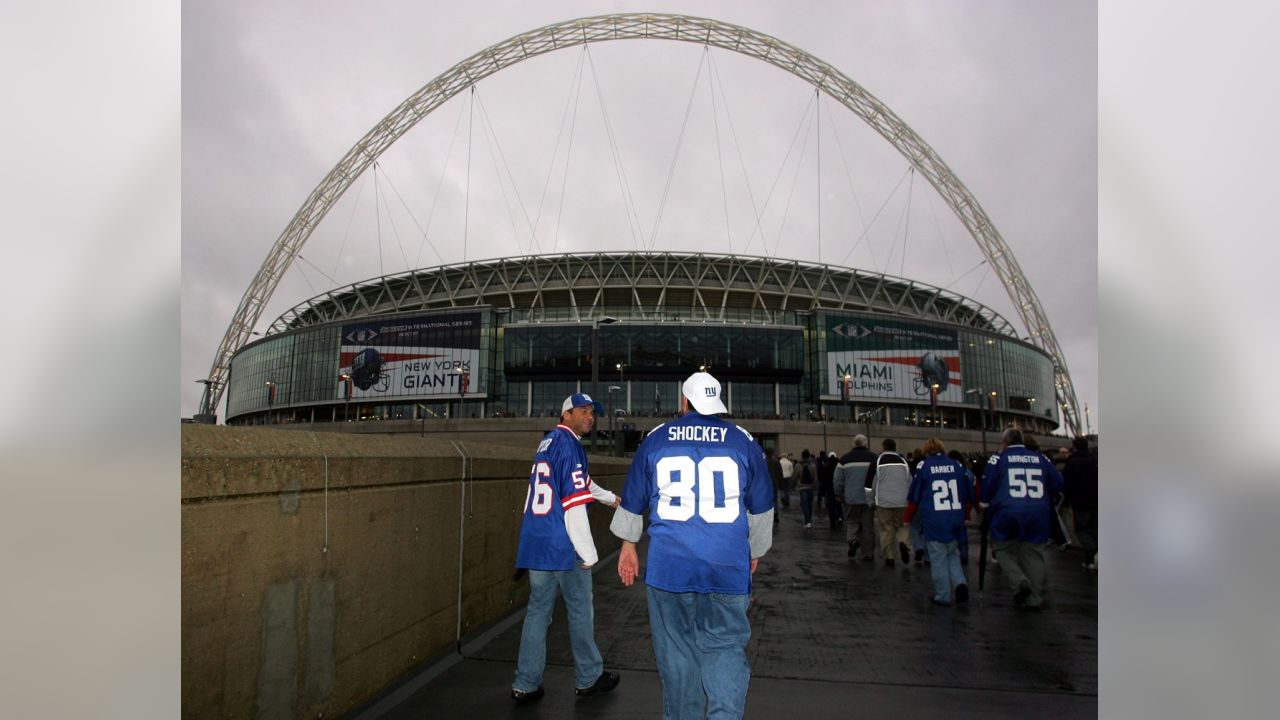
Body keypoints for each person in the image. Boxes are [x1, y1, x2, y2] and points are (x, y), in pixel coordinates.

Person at [611, 371, 774, 719]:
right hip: (726, 566)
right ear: (716, 403)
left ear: (682, 402)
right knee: (726, 648)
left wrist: (628, 546)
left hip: (671, 566)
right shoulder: (743, 441)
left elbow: (633, 498)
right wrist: (754, 552)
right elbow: (762, 506)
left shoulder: (656, 439)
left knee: (678, 657)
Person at [511, 393, 622, 702]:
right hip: (562, 544)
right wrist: (589, 553)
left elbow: (578, 483)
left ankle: (525, 683)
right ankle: (588, 677)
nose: (590, 416)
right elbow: (573, 506)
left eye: (592, 412)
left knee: (537, 612)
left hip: (538, 540)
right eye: (583, 411)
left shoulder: (548, 443)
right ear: (567, 414)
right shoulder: (571, 445)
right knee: (579, 610)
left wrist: (609, 497)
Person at [980, 427, 1065, 609]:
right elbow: (1058, 483)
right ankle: (1034, 598)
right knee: (1033, 554)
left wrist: (984, 504)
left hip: (1007, 510)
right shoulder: (1040, 458)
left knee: (1001, 548)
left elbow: (988, 484)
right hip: (1038, 511)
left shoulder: (999, 459)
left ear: (1004, 442)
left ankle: (1019, 581)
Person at [903, 438, 973, 605]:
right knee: (952, 554)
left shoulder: (925, 466)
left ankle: (943, 595)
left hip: (935, 518)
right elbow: (967, 492)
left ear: (927, 450)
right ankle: (960, 582)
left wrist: (907, 518)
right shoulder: (957, 466)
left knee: (938, 558)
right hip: (955, 516)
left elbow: (915, 497)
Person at [870, 438, 913, 567]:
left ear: (883, 447)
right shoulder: (904, 462)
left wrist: (870, 499)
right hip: (902, 501)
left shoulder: (878, 461)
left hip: (883, 502)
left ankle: (889, 556)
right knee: (902, 526)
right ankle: (903, 542)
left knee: (886, 529)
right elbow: (910, 481)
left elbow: (873, 483)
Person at [834, 435, 877, 560]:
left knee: (852, 522)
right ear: (866, 444)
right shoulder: (874, 458)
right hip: (869, 498)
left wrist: (838, 493)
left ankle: (852, 540)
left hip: (851, 498)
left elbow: (837, 480)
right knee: (867, 525)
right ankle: (868, 553)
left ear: (854, 444)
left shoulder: (844, 460)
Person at [1063, 436, 1098, 570]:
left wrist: (1066, 500)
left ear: (1074, 446)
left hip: (1080, 502)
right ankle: (1090, 560)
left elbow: (1067, 484)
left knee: (1081, 530)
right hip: (1096, 501)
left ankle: (1093, 551)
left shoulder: (1072, 462)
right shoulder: (1095, 460)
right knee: (1094, 530)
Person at [796, 449, 818, 528]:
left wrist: (792, 486)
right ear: (809, 456)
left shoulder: (798, 465)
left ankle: (807, 521)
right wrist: (815, 487)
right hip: (810, 487)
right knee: (809, 504)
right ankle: (809, 520)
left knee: (805, 504)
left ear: (802, 456)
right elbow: (815, 478)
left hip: (802, 487)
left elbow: (794, 476)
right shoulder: (812, 465)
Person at [766, 448, 784, 525]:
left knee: (767, 500)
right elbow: (780, 474)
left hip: (766, 485)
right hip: (774, 484)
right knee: (775, 500)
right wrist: (780, 484)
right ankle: (775, 513)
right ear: (772, 453)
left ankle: (768, 515)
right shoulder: (777, 463)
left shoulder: (763, 462)